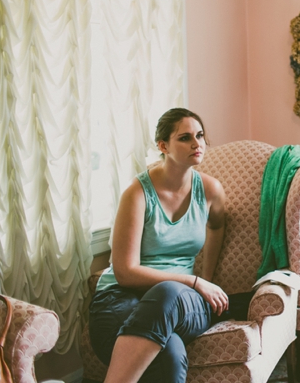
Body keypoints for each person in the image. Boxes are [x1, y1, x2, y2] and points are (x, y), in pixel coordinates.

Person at [89, 108, 229, 383]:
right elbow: (125, 272)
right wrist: (194, 281)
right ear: (163, 146)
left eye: (200, 135)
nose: (197, 143)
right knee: (171, 354)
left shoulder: (210, 190)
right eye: (185, 137)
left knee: (167, 293)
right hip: (121, 295)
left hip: (180, 301)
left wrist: (206, 279)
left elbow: (217, 225)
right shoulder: (138, 193)